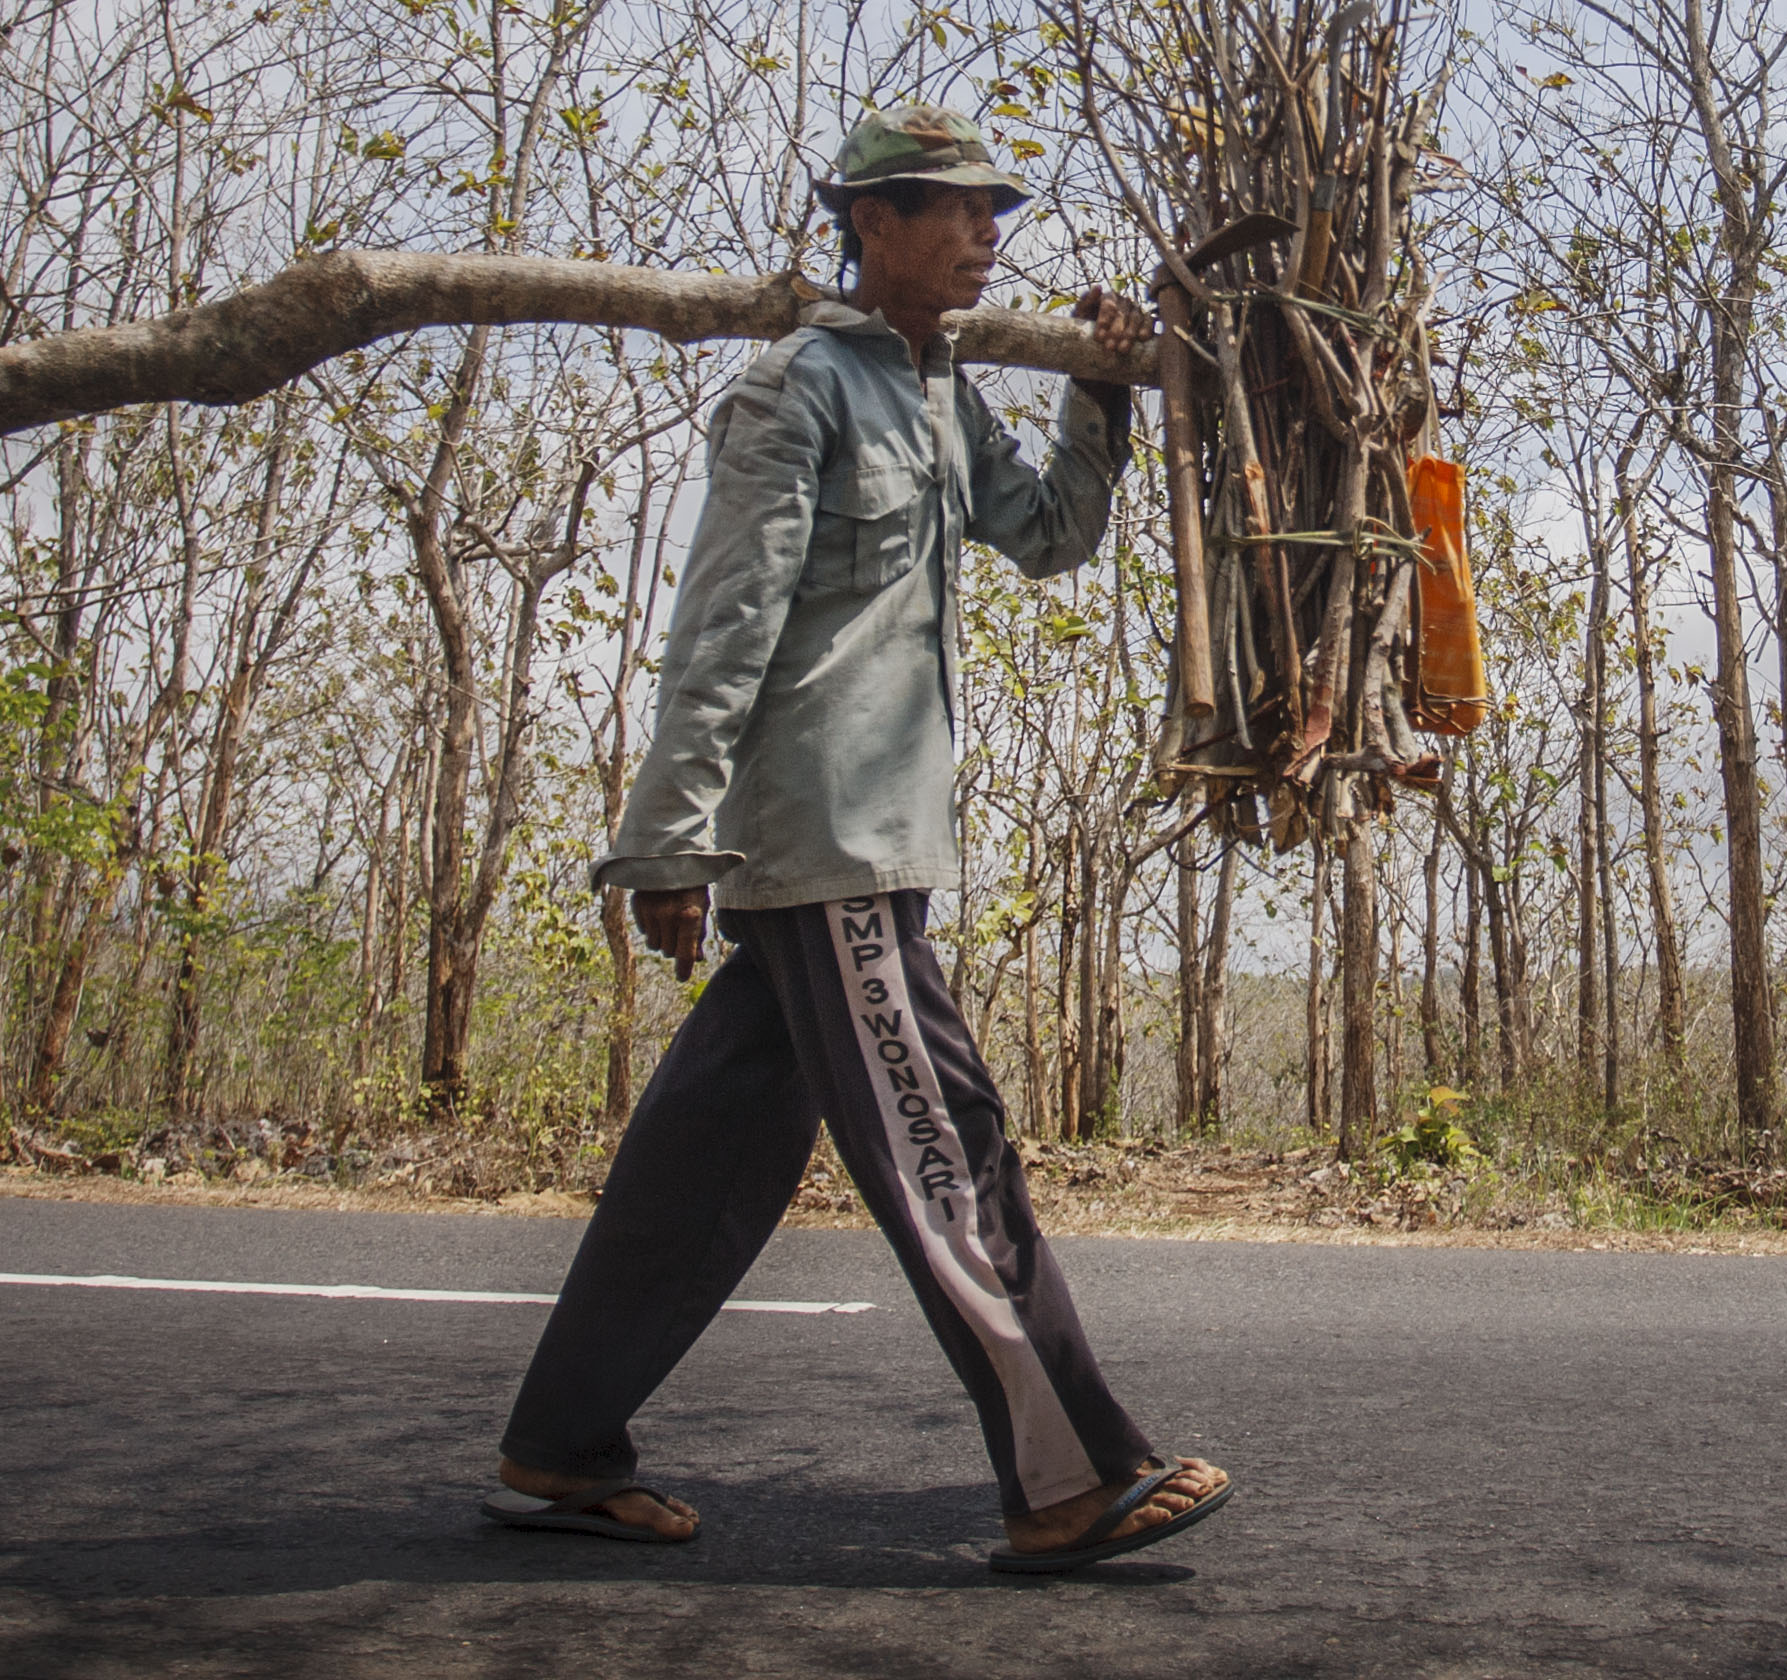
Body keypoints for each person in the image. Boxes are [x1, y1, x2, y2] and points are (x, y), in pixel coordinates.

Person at [485, 101, 1232, 1573]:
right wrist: (666, 843)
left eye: (991, 211)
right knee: (946, 1145)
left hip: (873, 831)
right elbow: (727, 621)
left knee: (700, 1167)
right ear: (867, 224)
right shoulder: (794, 390)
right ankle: (1072, 1474)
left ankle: (555, 1449)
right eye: (947, 209)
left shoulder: (943, 395)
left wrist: (1100, 390)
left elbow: (1052, 534)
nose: (982, 234)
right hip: (824, 841)